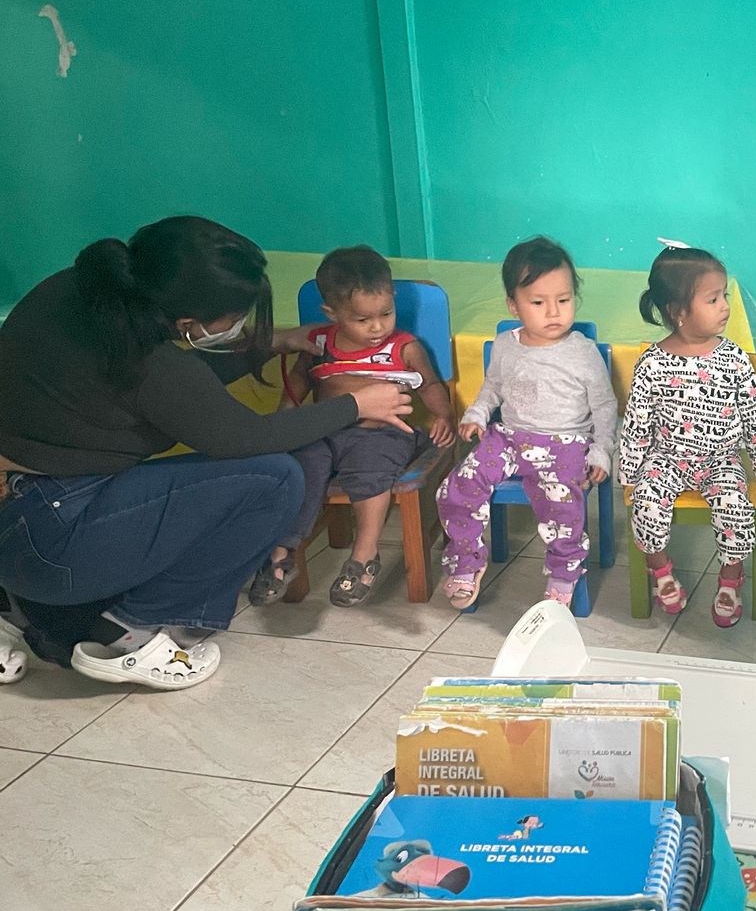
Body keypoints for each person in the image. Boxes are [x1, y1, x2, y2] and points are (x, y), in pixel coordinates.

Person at [0, 216, 412, 688]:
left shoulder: (81, 291)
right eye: (233, 318)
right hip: (54, 537)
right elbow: (241, 436)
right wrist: (355, 405)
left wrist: (269, 345)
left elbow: (174, 381)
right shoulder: (151, 364)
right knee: (275, 478)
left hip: (21, 515)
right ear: (187, 323)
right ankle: (131, 632)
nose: (237, 325)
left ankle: (25, 606)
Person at [248, 246, 455, 608]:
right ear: (332, 312)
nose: (377, 327)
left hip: (382, 434)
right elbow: (298, 383)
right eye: (362, 319)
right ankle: (282, 551)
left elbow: (431, 385)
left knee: (370, 466)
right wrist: (284, 423)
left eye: (386, 313)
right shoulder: (318, 344)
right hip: (323, 433)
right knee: (301, 466)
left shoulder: (404, 347)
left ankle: (364, 554)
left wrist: (443, 416)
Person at [436, 237, 618, 609]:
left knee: (562, 500)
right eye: (538, 302)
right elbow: (493, 387)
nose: (553, 312)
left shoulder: (582, 352)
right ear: (513, 305)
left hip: (566, 442)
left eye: (563, 300)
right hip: (508, 438)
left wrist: (601, 450)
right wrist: (476, 414)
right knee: (458, 485)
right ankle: (466, 562)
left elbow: (604, 406)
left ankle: (564, 573)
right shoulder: (506, 344)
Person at [618, 243, 756, 627]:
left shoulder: (734, 359)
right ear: (678, 311)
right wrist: (630, 471)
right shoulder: (652, 363)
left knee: (735, 508)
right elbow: (636, 422)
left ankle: (730, 579)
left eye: (724, 296)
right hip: (667, 460)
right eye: (713, 299)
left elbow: (755, 416)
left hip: (721, 460)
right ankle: (660, 571)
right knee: (646, 505)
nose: (725, 306)